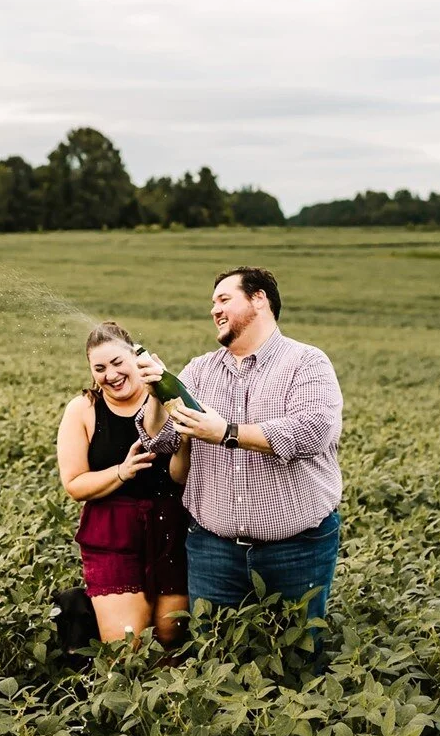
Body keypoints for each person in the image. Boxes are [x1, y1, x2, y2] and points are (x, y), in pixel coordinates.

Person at [133, 267, 343, 633]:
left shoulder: (306, 363)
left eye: (224, 299)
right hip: (213, 550)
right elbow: (161, 439)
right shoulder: (199, 371)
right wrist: (155, 393)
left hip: (297, 549)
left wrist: (227, 433)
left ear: (259, 299)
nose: (214, 309)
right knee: (214, 649)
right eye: (212, 303)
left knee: (300, 652)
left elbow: (313, 431)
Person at [56, 321, 190, 647]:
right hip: (112, 531)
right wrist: (122, 471)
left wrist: (186, 439)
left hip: (170, 527)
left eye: (117, 363)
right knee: (127, 645)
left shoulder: (168, 398)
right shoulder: (84, 409)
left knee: (170, 638)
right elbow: (74, 484)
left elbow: (180, 475)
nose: (111, 374)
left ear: (136, 358)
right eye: (99, 368)